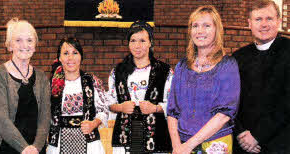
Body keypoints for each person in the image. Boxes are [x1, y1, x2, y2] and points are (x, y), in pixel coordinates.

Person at [167, 5, 240, 154]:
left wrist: (189, 146)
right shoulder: (182, 66)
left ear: (216, 30)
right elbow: (172, 111)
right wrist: (177, 147)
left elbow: (224, 114)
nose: (200, 31)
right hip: (181, 144)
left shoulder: (227, 65)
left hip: (215, 144)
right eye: (195, 26)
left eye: (206, 25)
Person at [232, 0, 290, 153]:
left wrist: (258, 135)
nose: (264, 24)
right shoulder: (238, 57)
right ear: (249, 23)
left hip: (280, 143)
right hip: (242, 144)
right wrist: (240, 133)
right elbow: (230, 101)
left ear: (278, 21)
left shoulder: (288, 51)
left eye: (269, 19)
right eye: (258, 19)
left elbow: (286, 103)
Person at [108, 21, 173, 154]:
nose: (137, 46)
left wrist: (155, 108)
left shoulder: (165, 71)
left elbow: (174, 104)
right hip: (124, 138)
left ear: (150, 42)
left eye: (142, 40)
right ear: (128, 43)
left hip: (156, 140)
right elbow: (108, 103)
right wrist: (120, 107)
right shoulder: (118, 71)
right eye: (133, 40)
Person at [0, 18, 50, 154]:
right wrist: (24, 148)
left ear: (35, 45)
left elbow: (45, 119)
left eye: (29, 40)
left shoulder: (42, 77)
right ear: (9, 45)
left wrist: (36, 148)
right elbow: (0, 117)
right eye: (18, 40)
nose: (25, 45)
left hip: (35, 149)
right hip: (5, 148)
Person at [46, 37, 108, 154]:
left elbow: (103, 110)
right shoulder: (51, 85)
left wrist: (93, 123)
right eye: (66, 53)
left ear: (81, 56)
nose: (70, 58)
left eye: (75, 53)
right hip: (58, 144)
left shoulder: (92, 81)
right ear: (59, 57)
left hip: (89, 143)